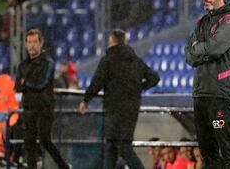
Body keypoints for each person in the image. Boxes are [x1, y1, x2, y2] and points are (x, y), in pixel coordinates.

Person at [184, 0, 230, 169]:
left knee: (226, 148)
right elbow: (189, 56)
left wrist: (199, 47)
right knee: (207, 151)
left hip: (219, 95)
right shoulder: (202, 22)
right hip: (201, 95)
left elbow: (214, 48)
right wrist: (202, 49)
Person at [79, 29, 160, 169]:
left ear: (111, 41)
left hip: (114, 109)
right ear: (124, 41)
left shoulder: (108, 60)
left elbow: (97, 82)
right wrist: (139, 88)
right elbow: (154, 78)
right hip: (131, 109)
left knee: (122, 146)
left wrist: (86, 99)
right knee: (112, 145)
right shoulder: (135, 60)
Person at [15, 29, 70, 169]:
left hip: (44, 107)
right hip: (28, 107)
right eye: (29, 42)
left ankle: (63, 166)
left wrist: (25, 84)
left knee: (45, 140)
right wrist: (25, 84)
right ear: (26, 44)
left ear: (41, 43)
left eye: (34, 42)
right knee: (29, 142)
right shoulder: (23, 65)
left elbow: (41, 84)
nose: (31, 45)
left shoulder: (48, 62)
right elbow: (17, 86)